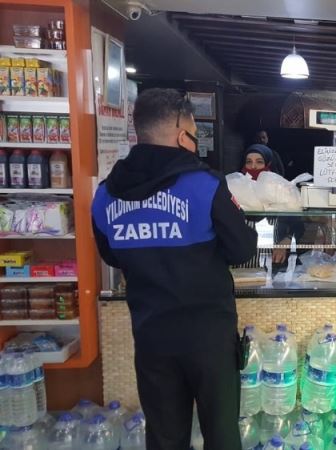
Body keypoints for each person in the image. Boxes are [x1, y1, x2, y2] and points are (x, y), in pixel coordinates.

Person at [91, 88, 256, 450]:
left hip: (152, 338)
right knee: (222, 436)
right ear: (183, 135)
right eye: (194, 133)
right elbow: (243, 249)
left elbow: (112, 256)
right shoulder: (204, 186)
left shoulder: (104, 195)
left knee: (165, 437)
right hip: (209, 339)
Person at [240, 144, 303, 264]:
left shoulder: (280, 189)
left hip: (274, 262)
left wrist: (285, 242)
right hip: (241, 262)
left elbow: (298, 226)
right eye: (249, 162)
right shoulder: (237, 188)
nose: (253, 166)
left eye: (259, 162)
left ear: (268, 163)